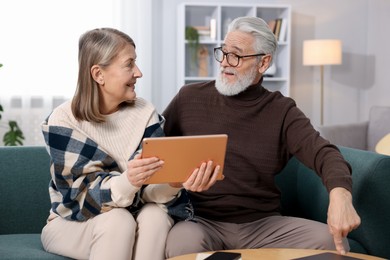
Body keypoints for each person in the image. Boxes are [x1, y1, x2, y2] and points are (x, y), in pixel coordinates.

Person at [164, 16, 361, 258]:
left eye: (235, 55)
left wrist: (340, 194)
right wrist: (178, 181)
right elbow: (158, 151)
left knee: (330, 241)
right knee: (180, 245)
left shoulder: (282, 110)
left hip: (263, 225)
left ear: (263, 62)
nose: (225, 63)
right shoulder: (188, 98)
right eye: (223, 53)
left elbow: (324, 152)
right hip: (201, 221)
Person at [40, 28, 218, 260]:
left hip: (131, 215)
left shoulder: (144, 112)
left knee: (155, 215)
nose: (139, 73)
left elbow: (152, 192)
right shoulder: (63, 121)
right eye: (129, 64)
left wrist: (174, 182)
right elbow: (78, 199)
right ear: (98, 74)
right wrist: (128, 181)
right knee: (118, 220)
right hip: (72, 223)